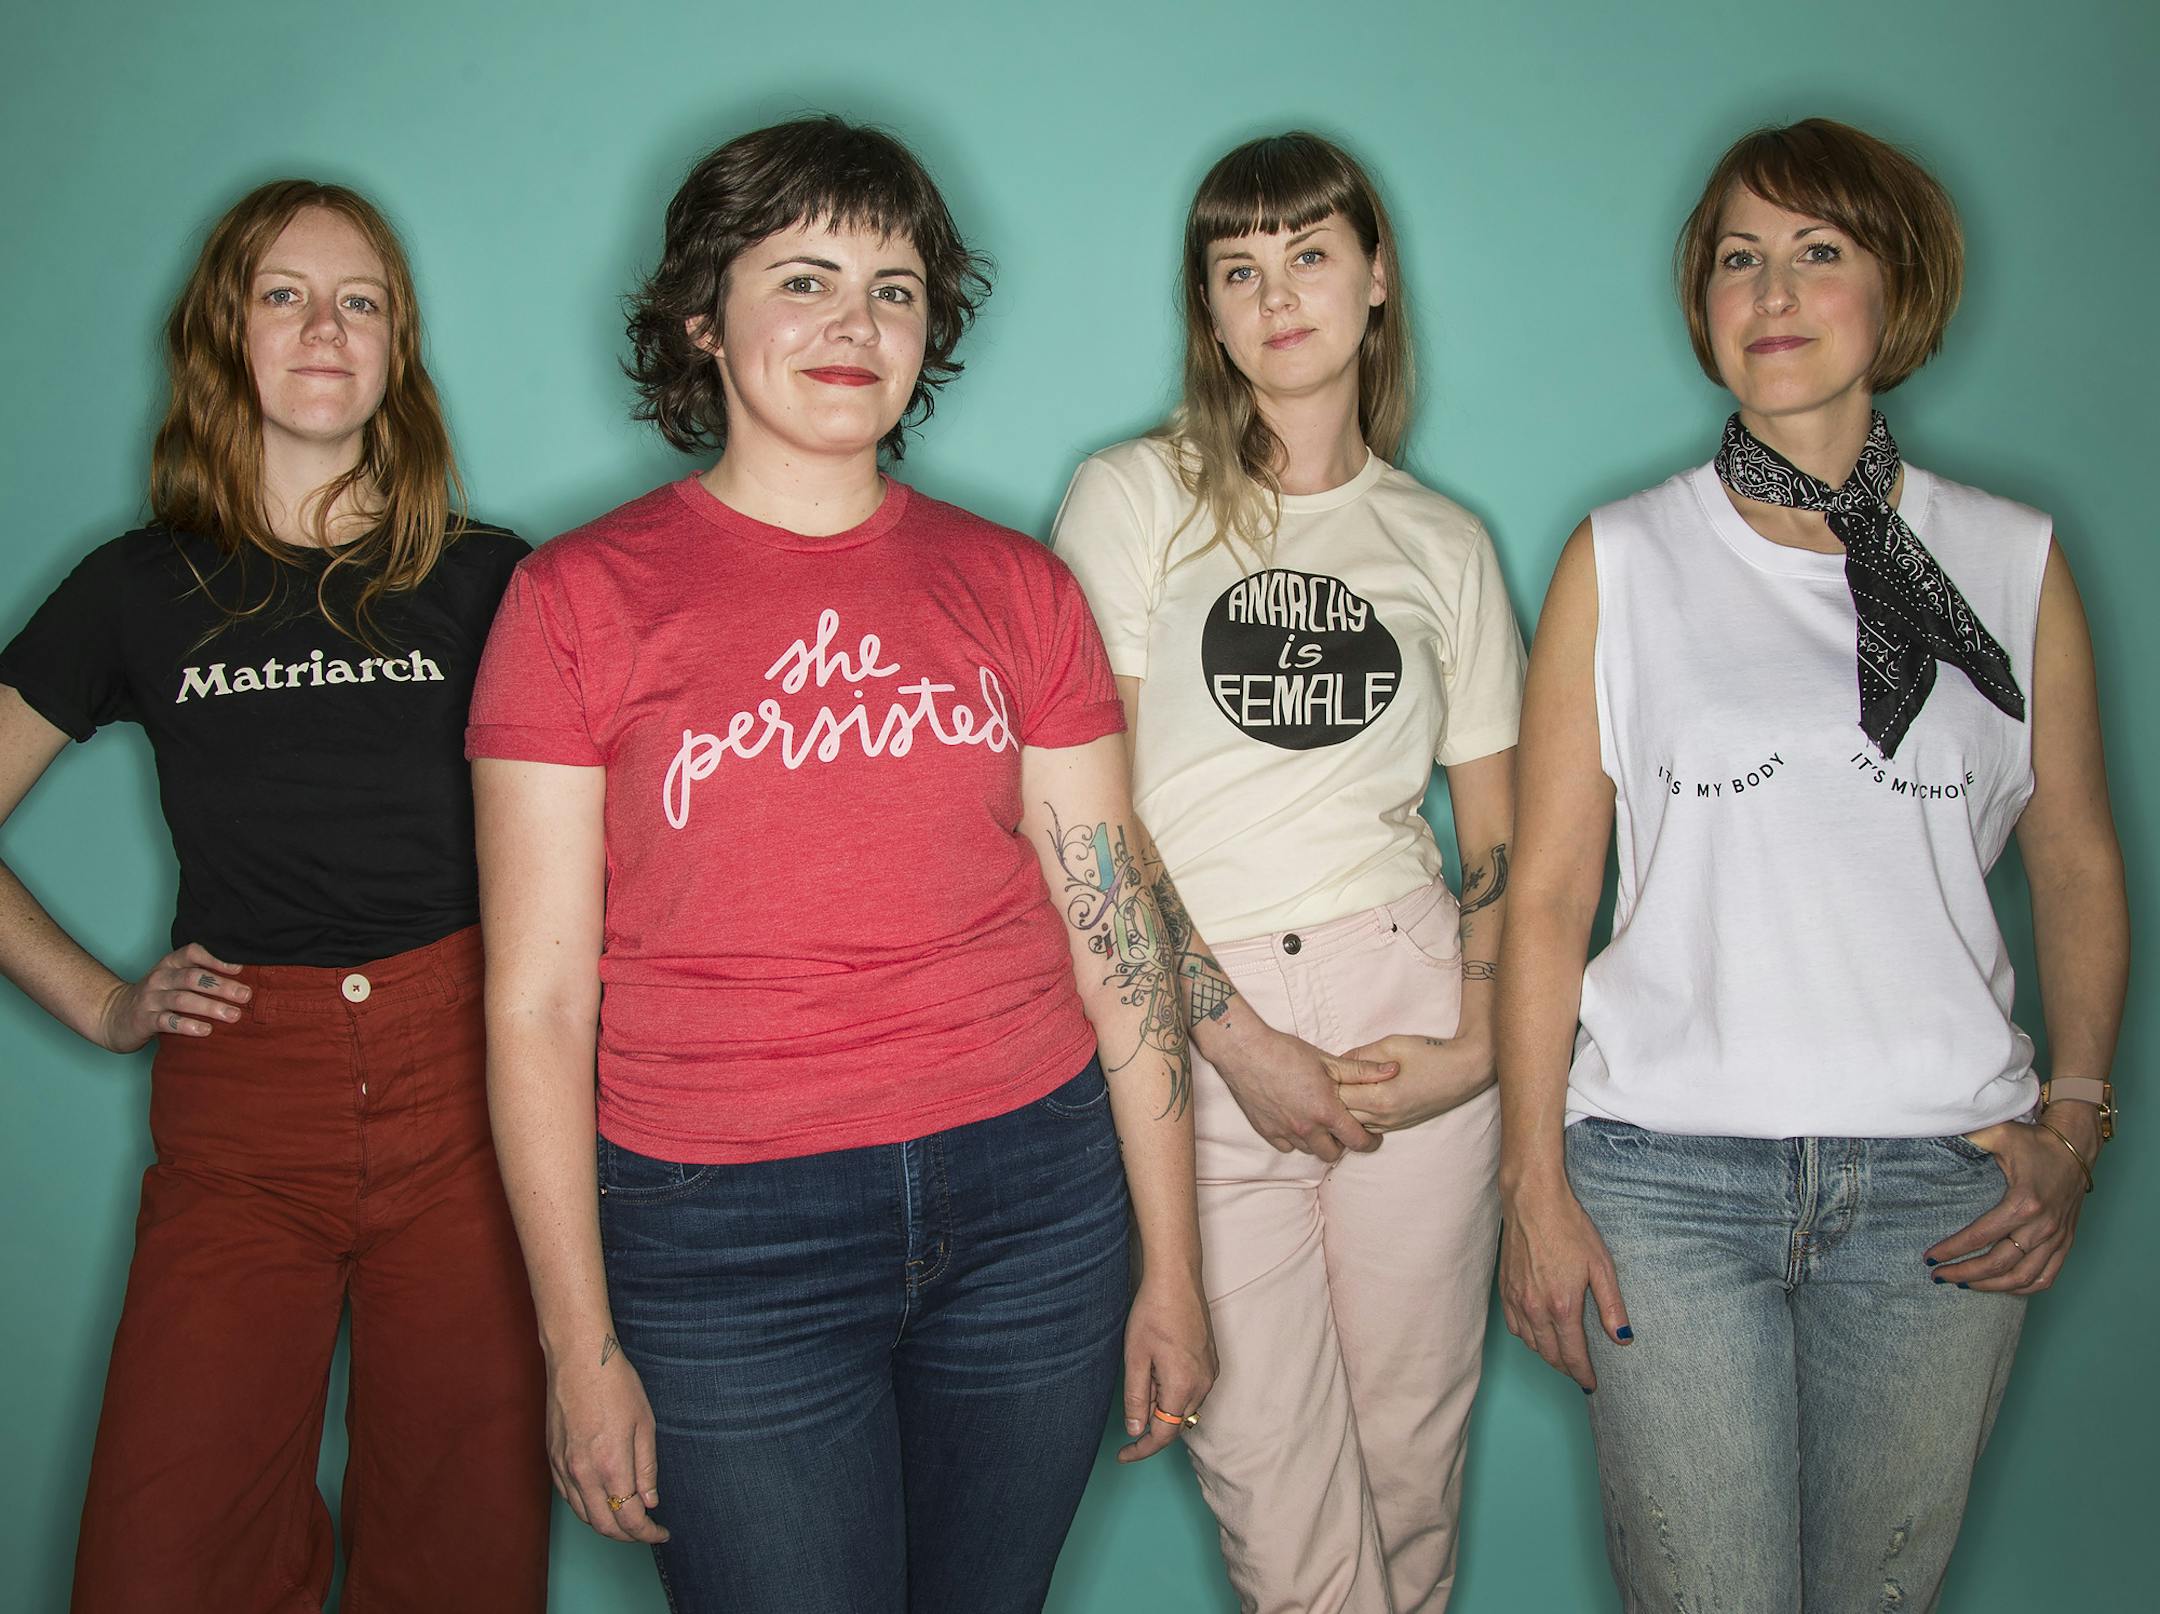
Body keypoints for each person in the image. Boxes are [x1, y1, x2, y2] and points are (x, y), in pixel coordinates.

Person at [468, 115, 1213, 1614]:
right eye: (801, 279)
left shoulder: (1018, 587)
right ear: (703, 317)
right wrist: (579, 1343)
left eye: (894, 287)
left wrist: (1175, 1266)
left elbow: (1110, 928)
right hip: (722, 1231)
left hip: (1036, 1203)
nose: (854, 323)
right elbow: (537, 1004)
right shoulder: (573, 602)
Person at [1496, 117, 2128, 1612]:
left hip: (1941, 1188)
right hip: (1664, 1180)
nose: (1771, 290)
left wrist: (2080, 1122)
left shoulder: (2014, 558)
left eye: (1818, 251)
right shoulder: (1625, 558)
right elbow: (1544, 895)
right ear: (1703, 304)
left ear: (1894, 289)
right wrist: (1532, 1182)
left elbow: (2082, 863)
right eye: (1737, 258)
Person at [0, 180, 548, 1612]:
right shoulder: (137, 587)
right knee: (161, 1561)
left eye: (360, 299)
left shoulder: (496, 580)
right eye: (284, 295)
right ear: (223, 337)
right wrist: (106, 999)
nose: (325, 326)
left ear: (398, 348)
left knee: (467, 1546)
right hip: (243, 1112)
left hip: (470, 1105)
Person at [1052, 131, 1524, 1614]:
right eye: (1238, 269)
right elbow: (1094, 825)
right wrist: (1235, 1038)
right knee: (1278, 1498)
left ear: (1376, 280)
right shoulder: (1133, 499)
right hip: (1200, 1008)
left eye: (1310, 255)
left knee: (1409, 1477)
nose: (1277, 295)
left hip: (1408, 995)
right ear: (1207, 306)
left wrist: (1478, 1047)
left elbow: (1503, 841)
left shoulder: (1442, 542)